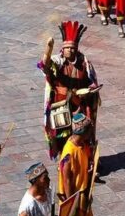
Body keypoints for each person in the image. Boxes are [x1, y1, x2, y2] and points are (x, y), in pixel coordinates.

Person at [38, 20, 100, 159]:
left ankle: (85, 159)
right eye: (68, 48)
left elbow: (92, 81)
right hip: (61, 105)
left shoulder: (84, 63)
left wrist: (89, 91)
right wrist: (48, 50)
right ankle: (64, 159)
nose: (70, 51)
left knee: (83, 133)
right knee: (61, 134)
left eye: (73, 48)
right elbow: (45, 66)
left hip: (80, 106)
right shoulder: (58, 62)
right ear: (63, 49)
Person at [57, 112, 103, 216]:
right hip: (74, 200)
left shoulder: (82, 145)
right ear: (83, 132)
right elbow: (68, 182)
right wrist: (73, 207)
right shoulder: (68, 154)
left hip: (83, 196)